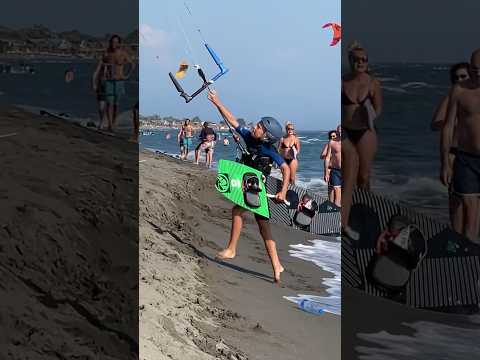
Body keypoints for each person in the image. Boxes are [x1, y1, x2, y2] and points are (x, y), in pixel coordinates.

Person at [207, 89, 290, 283]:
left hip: (258, 189)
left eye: (260, 126)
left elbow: (285, 169)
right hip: (251, 187)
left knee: (237, 211)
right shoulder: (249, 136)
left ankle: (232, 249)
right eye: (258, 124)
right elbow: (233, 120)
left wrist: (283, 191)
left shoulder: (268, 150)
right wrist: (217, 102)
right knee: (264, 228)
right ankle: (277, 265)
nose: (256, 126)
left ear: (267, 136)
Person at [441, 49, 480, 243]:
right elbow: (447, 126)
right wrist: (445, 163)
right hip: (466, 158)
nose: (478, 72)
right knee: (469, 209)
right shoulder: (460, 90)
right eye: (474, 68)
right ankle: (468, 254)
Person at [431, 62, 470, 233]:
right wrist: (453, 122)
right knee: (457, 202)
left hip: (474, 155)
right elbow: (435, 123)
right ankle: (458, 238)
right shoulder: (451, 97)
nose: (460, 80)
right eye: (456, 78)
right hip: (455, 154)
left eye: (463, 77)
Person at [342, 42, 383, 189]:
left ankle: (365, 204)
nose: (360, 62)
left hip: (365, 131)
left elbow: (378, 109)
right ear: (350, 61)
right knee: (349, 175)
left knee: (363, 176)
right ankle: (349, 205)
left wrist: (370, 114)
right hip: (346, 131)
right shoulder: (343, 81)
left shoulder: (373, 83)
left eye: (364, 59)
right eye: (356, 59)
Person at [92, 35, 136, 132]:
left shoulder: (123, 54)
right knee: (109, 103)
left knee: (116, 104)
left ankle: (114, 122)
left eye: (116, 42)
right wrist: (96, 81)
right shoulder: (107, 54)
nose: (114, 44)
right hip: (109, 81)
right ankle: (110, 126)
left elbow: (132, 64)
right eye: (112, 42)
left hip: (119, 81)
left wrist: (126, 75)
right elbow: (100, 67)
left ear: (119, 43)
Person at [324, 129, 342, 207]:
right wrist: (326, 172)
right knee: (336, 189)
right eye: (339, 130)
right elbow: (326, 157)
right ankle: (336, 208)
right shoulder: (332, 143)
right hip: (335, 170)